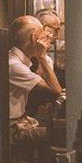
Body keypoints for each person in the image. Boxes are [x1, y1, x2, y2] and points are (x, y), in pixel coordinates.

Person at [9, 14, 64, 146]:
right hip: (13, 129)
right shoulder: (14, 65)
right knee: (62, 134)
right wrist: (41, 56)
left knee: (57, 128)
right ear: (34, 38)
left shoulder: (16, 61)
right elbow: (56, 90)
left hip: (23, 120)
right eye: (42, 35)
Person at [33, 7, 65, 87]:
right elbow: (54, 89)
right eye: (56, 30)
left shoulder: (48, 60)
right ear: (43, 28)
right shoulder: (24, 57)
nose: (58, 36)